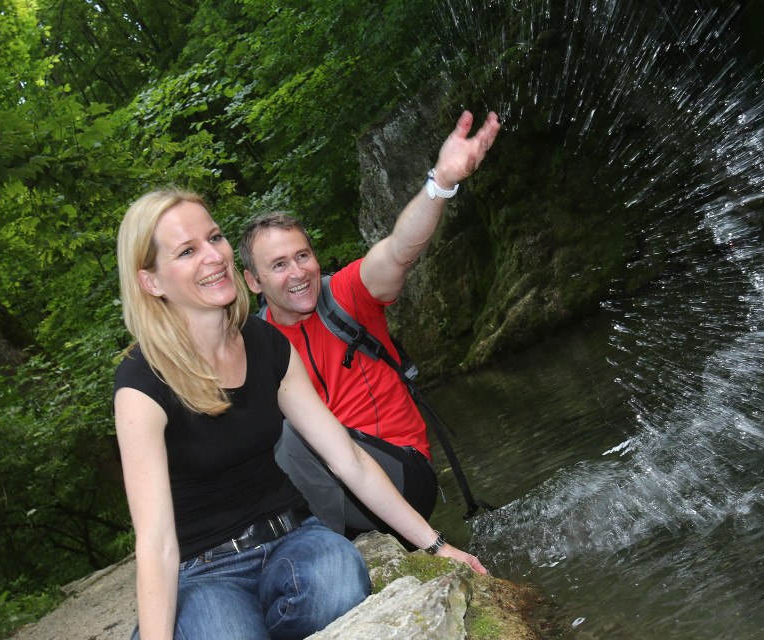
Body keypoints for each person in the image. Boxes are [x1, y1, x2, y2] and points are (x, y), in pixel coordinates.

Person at [113, 189, 485, 640]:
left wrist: (437, 545)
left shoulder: (268, 344)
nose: (213, 256)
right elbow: (154, 544)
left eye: (214, 238)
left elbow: (346, 457)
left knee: (340, 580)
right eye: (187, 251)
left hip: (292, 539)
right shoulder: (141, 383)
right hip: (206, 568)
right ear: (151, 282)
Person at [238, 110, 501, 536]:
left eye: (303, 256)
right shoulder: (254, 344)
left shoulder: (346, 295)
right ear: (253, 281)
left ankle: (309, 539)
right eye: (279, 264)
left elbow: (398, 250)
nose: (298, 272)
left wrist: (441, 184)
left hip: (402, 476)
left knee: (289, 438)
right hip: (328, 486)